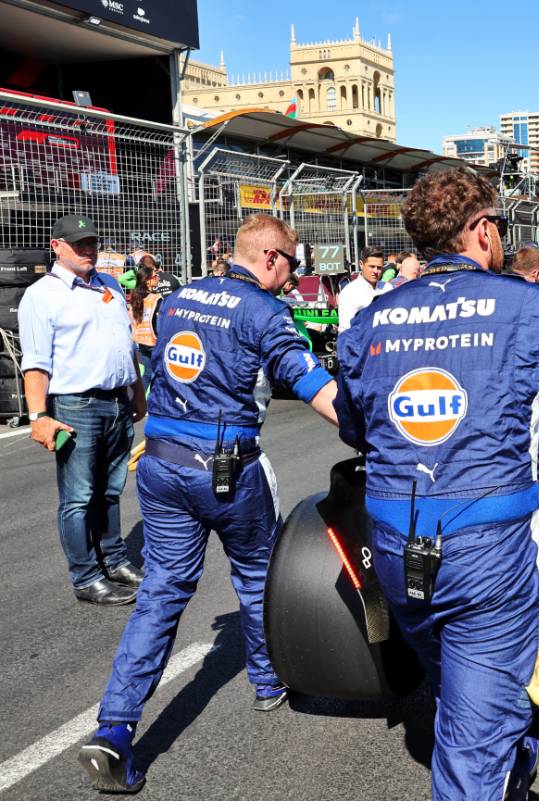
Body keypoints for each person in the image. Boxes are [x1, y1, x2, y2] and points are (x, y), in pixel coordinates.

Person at [334, 168, 539, 801]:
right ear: (479, 228)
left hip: (393, 545)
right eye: (496, 224)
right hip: (488, 549)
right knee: (476, 747)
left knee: (465, 692)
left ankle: (511, 759)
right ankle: (500, 762)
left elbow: (357, 430)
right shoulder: (530, 303)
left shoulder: (370, 318)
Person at [78, 213, 338, 794]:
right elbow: (315, 387)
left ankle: (115, 727)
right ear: (270, 257)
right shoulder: (265, 312)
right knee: (256, 574)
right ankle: (270, 683)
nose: (294, 278)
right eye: (292, 265)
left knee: (162, 592)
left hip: (162, 463)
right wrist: (378, 435)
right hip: (225, 467)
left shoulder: (179, 298)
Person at [17, 214, 147, 606]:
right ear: (57, 246)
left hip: (116, 402)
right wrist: (39, 417)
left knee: (110, 491)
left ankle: (115, 559)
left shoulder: (107, 285)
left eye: (92, 242)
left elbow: (126, 345)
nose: (88, 249)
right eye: (79, 244)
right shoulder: (43, 295)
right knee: (78, 497)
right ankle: (86, 577)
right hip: (76, 404)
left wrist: (137, 393)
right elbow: (35, 363)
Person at [337, 248, 386, 331]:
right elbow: (345, 329)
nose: (375, 271)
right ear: (361, 264)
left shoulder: (388, 288)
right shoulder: (350, 292)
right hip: (362, 342)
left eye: (379, 268)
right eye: (372, 266)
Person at [128, 265, 161, 376]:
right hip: (155, 341)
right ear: (147, 281)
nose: (158, 278)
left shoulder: (135, 297)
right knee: (158, 373)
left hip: (141, 341)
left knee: (147, 372)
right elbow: (160, 322)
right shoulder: (156, 298)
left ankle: (143, 393)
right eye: (155, 276)